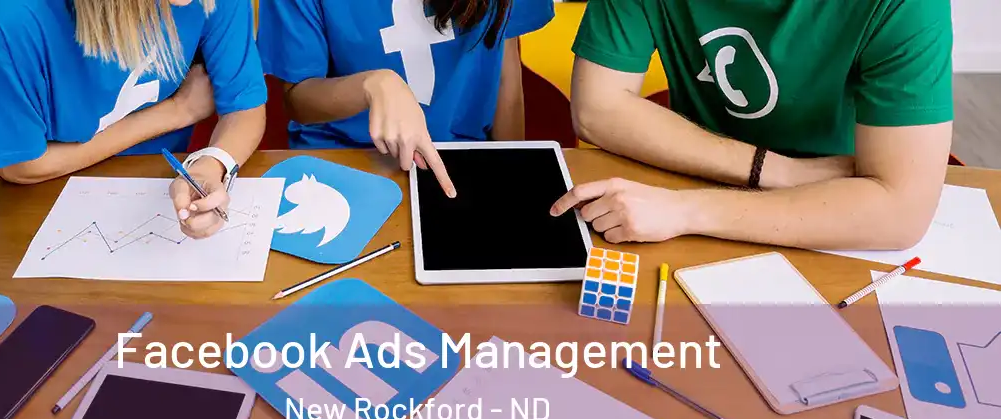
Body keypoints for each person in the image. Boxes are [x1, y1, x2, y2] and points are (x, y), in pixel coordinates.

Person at [551, 0, 954, 251]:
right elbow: (597, 110)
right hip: (694, 184)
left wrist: (686, 210)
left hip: (838, 207)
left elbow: (901, 212)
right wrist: (778, 171)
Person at [0, 0, 266, 239]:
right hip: (19, 211)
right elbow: (22, 167)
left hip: (149, 202)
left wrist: (211, 165)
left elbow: (244, 108)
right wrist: (176, 112)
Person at [256, 0, 556, 197]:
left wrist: (512, 174)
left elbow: (505, 71)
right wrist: (372, 85)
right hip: (343, 159)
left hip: (462, 156)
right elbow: (298, 100)